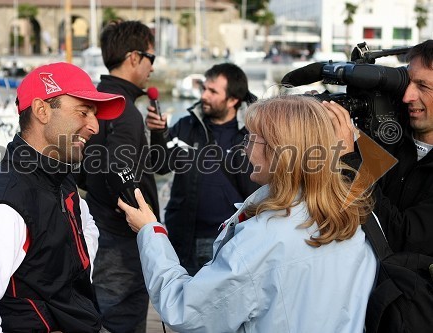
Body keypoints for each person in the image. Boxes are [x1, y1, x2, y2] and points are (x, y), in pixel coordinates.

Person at [119, 95, 377, 333]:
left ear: (279, 151)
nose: (244, 149)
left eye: (251, 139)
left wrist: (150, 232)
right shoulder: (356, 217)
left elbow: (185, 311)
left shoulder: (264, 239)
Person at [0, 62, 126, 332]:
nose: (94, 126)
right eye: (83, 112)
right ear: (41, 111)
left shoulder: (61, 179)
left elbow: (87, 233)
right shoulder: (5, 208)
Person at [78, 20, 159, 333]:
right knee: (123, 317)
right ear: (134, 57)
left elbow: (85, 171)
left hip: (99, 225)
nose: (153, 66)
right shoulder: (124, 109)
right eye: (152, 58)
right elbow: (117, 168)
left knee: (104, 314)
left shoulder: (96, 101)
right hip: (122, 239)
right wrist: (140, 215)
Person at [145, 63, 260, 275]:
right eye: (204, 88)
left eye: (213, 91)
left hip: (229, 238)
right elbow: (160, 166)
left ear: (233, 100)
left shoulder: (254, 134)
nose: (204, 95)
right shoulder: (185, 126)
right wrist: (158, 133)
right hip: (182, 236)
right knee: (180, 302)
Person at [323, 39, 433, 256]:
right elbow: (337, 205)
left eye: (423, 86)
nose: (407, 96)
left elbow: (402, 236)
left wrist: (349, 159)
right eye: (406, 82)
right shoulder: (389, 136)